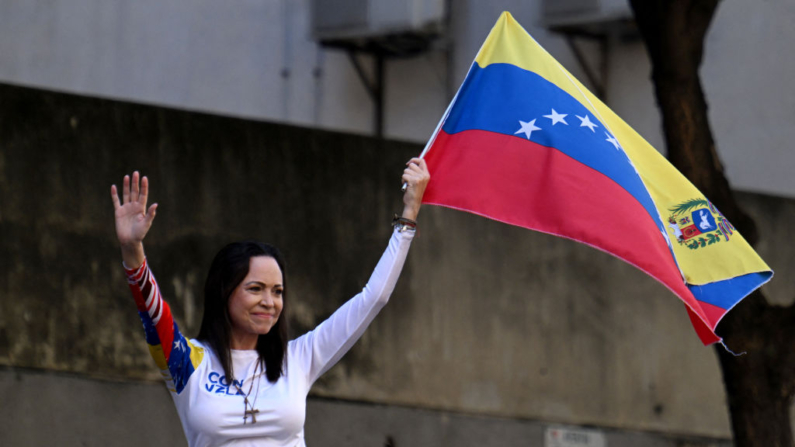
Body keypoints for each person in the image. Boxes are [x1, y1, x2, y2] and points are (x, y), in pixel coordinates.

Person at [110, 160, 430, 447]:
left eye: (277, 291)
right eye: (255, 288)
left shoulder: (299, 359)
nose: (270, 302)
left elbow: (374, 298)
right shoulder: (189, 362)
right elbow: (154, 315)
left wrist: (409, 214)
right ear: (225, 291)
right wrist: (132, 249)